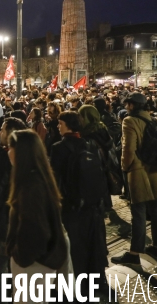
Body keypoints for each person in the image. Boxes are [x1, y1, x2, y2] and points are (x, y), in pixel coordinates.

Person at [6, 129, 72, 301]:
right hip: (43, 261)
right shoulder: (39, 177)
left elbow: (34, 229)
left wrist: (19, 254)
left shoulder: (31, 186)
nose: (8, 152)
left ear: (22, 153)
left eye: (10, 147)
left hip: (33, 265)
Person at [50, 109, 110, 296]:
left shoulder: (58, 148)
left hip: (71, 206)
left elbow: (54, 179)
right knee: (92, 245)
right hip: (92, 205)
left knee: (74, 249)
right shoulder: (88, 144)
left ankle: (76, 289)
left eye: (60, 123)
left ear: (67, 125)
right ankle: (96, 285)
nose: (58, 126)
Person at [112, 92, 157, 265]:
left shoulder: (129, 121)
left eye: (128, 104)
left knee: (138, 212)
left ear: (132, 105)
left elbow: (128, 149)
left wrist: (124, 167)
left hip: (139, 170)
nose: (126, 107)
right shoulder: (153, 120)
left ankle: (135, 253)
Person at [0, 118, 26, 283]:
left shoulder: (2, 161)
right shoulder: (32, 157)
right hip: (23, 226)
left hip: (3, 226)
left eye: (2, 129)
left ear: (11, 133)